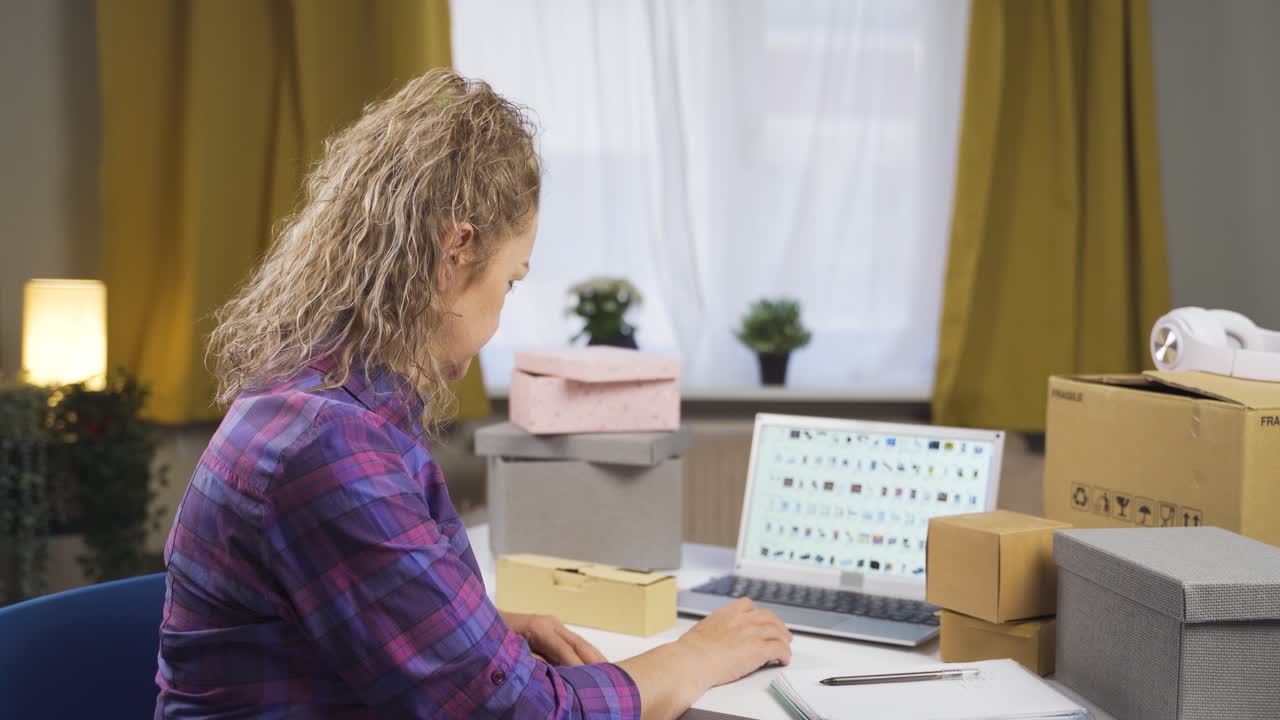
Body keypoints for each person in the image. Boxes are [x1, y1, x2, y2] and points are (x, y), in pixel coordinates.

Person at [155, 68, 792, 720]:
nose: (502, 313)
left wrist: (484, 631)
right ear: (455, 250)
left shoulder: (314, 399)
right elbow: (526, 715)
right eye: (511, 280)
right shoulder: (328, 449)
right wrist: (698, 656)